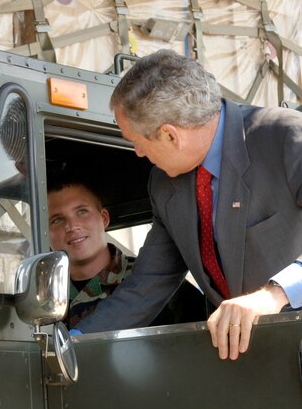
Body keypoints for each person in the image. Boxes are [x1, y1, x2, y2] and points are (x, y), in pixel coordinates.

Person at [73, 49, 302, 361]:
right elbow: (148, 284)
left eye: (137, 142)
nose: (138, 153)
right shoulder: (164, 184)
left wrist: (274, 295)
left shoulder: (286, 137)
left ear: (170, 135)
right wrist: (73, 341)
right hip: (254, 370)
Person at [47, 175, 135, 328]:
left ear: (104, 218)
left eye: (82, 212)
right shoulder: (43, 294)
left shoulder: (147, 278)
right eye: (57, 220)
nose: (72, 226)